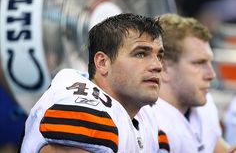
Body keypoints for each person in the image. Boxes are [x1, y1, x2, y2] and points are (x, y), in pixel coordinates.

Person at [19, 13, 165, 153]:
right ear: (102, 63)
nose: (157, 65)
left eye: (159, 56)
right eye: (141, 54)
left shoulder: (147, 117)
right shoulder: (81, 108)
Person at [152, 13, 236, 153]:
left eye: (209, 62)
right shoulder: (147, 123)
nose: (211, 74)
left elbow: (213, 145)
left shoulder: (202, 100)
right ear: (164, 68)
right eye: (199, 63)